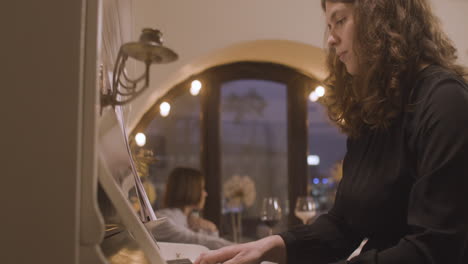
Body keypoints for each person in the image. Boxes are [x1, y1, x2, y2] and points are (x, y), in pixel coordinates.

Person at [195, 0, 468, 263]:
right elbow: (343, 226)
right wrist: (273, 245)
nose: (331, 39)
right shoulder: (376, 110)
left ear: (381, 18)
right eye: (330, 25)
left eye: (340, 20)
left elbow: (434, 250)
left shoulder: (445, 100)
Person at [153, 167, 234, 249]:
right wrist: (240, 248)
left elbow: (211, 249)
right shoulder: (161, 220)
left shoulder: (189, 221)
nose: (205, 194)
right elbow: (199, 241)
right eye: (202, 189)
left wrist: (211, 229)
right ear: (190, 189)